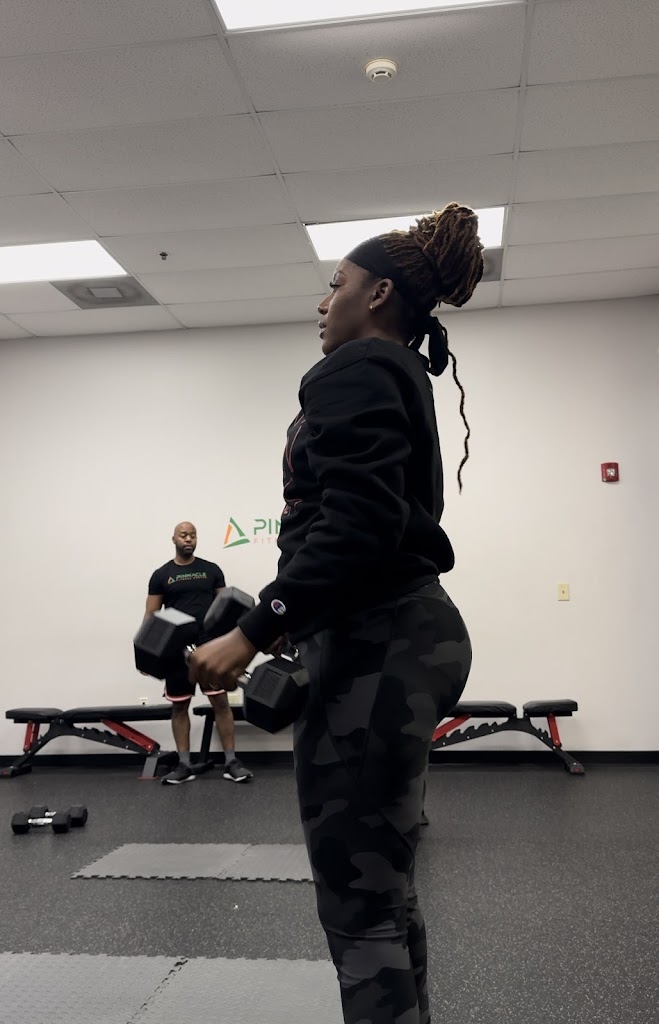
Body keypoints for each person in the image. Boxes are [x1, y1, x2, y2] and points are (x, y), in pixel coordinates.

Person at [188, 203, 482, 1023]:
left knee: (358, 904)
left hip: (376, 641)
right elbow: (365, 520)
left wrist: (254, 630)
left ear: (377, 293)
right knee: (380, 889)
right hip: (401, 633)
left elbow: (358, 525)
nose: (323, 302)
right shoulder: (403, 374)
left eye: (336, 284)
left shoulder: (354, 368)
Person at [143, 521, 252, 785]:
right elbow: (151, 616)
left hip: (210, 647)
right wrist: (149, 653)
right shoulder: (162, 575)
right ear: (174, 539)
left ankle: (231, 762)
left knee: (221, 703)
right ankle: (184, 765)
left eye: (192, 535)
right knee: (179, 706)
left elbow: (227, 609)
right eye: (183, 535)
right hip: (177, 652)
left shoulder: (211, 570)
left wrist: (232, 645)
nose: (188, 539)